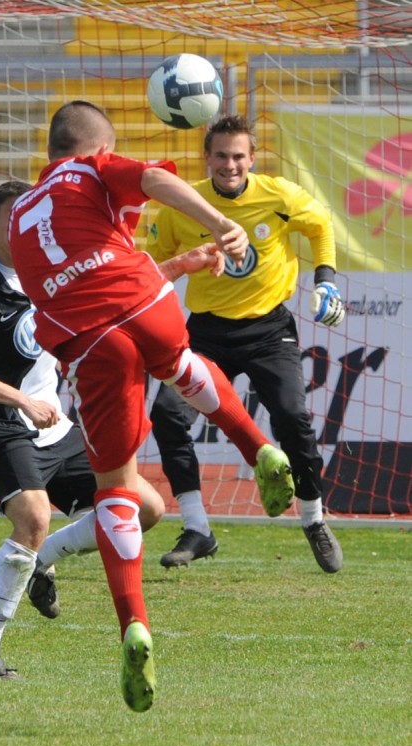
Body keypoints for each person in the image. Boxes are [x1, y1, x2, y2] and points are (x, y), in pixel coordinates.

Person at [8, 101, 295, 712]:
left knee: (117, 489)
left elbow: (68, 291)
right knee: (181, 364)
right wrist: (220, 222)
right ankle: (257, 446)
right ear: (96, 146)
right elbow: (156, 181)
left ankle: (133, 624)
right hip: (142, 298)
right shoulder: (91, 171)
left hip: (91, 341)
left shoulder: (19, 217)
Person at [0, 180, 167, 682]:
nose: (23, 227)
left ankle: (41, 561)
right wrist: (21, 400)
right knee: (33, 516)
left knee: (145, 509)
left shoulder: (55, 277)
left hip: (57, 427)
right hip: (1, 428)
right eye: (11, 219)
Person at [146, 114, 345, 574]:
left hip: (269, 331)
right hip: (205, 333)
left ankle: (314, 520)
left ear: (252, 159)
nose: (229, 165)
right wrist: (188, 262)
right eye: (221, 155)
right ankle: (197, 527)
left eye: (238, 156)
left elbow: (321, 226)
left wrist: (326, 280)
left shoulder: (278, 194)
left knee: (293, 418)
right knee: (169, 416)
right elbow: (150, 264)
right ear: (207, 158)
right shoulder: (181, 203)